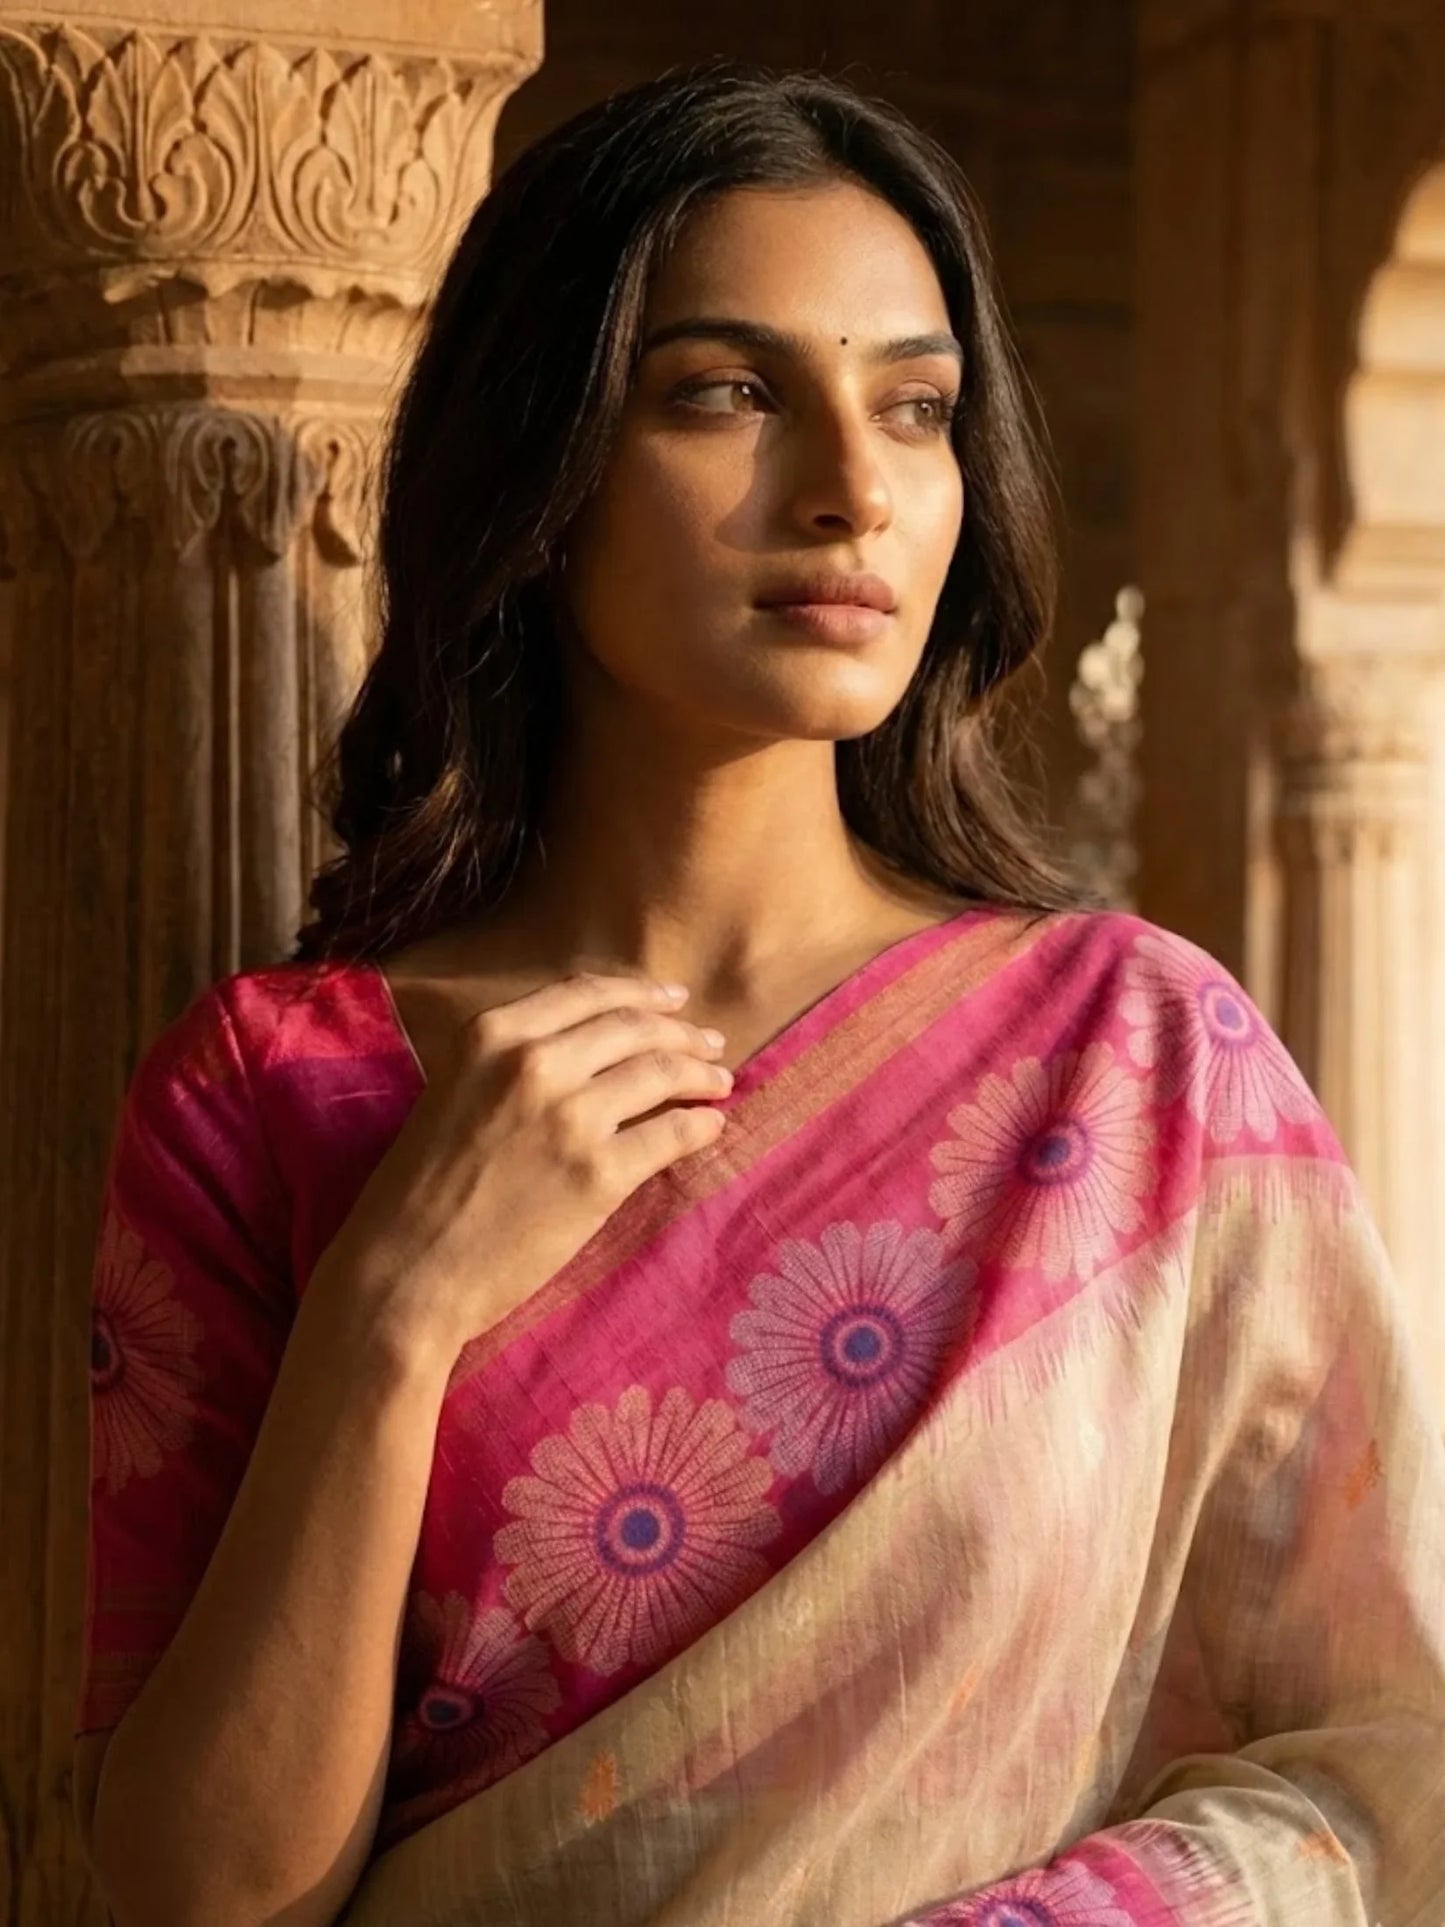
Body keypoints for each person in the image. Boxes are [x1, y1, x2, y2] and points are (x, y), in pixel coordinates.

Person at [72, 59, 1445, 1927]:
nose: (852, 490)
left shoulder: (1132, 1061)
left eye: (917, 406)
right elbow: (194, 1896)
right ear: (540, 469)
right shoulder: (277, 1088)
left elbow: (1375, 1765)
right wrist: (391, 1318)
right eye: (724, 393)